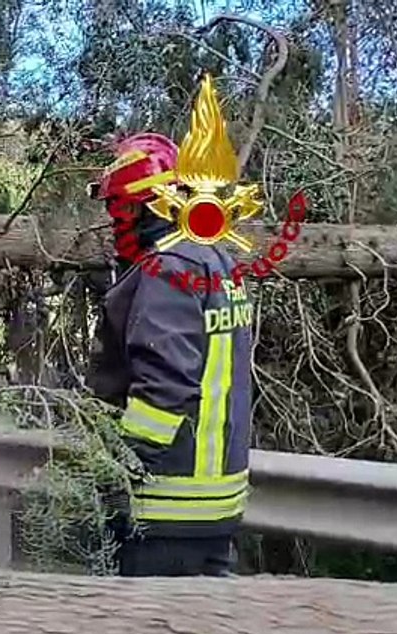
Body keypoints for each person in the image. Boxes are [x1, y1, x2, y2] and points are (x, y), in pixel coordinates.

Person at [87, 133, 254, 577]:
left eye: (118, 209)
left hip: (164, 507)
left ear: (143, 207)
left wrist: (120, 465)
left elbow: (165, 388)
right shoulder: (217, 261)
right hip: (216, 504)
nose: (113, 223)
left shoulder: (167, 269)